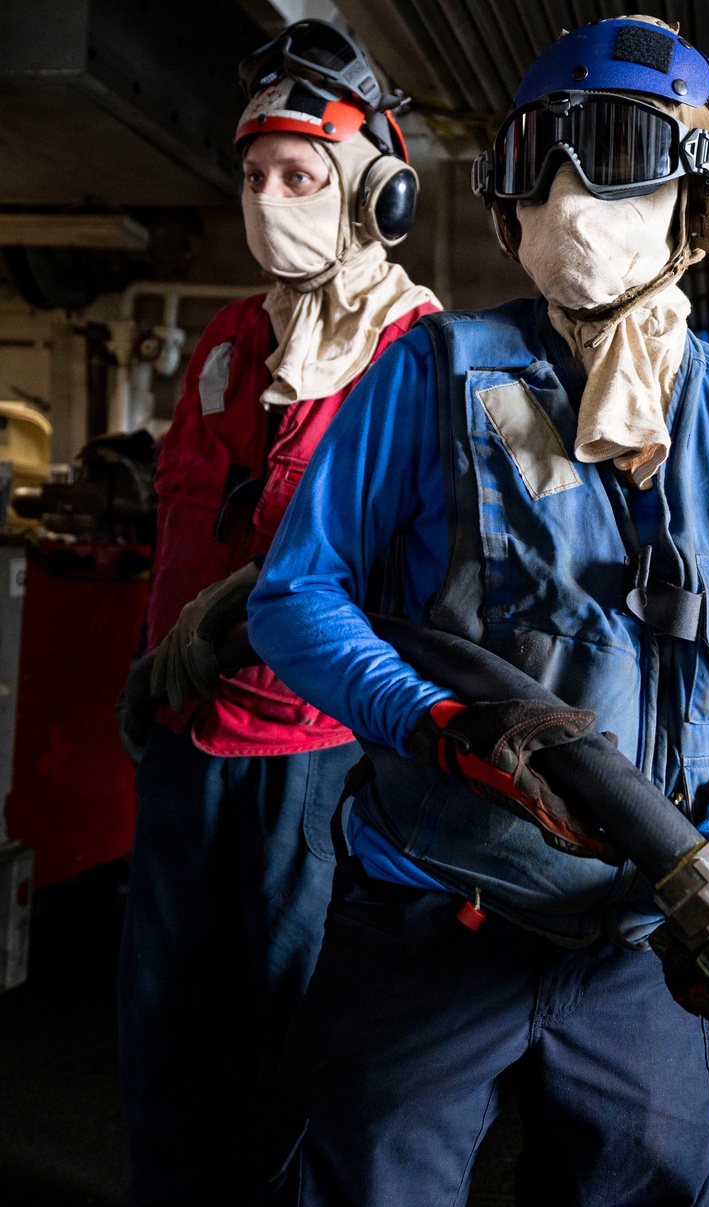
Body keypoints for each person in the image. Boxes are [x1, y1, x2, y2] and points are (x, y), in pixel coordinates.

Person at [247, 16, 709, 1206]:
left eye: (616, 150)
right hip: (437, 910)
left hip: (651, 959)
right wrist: (429, 722)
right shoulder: (426, 375)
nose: (569, 197)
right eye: (537, 159)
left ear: (708, 201)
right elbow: (294, 599)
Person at [116, 20, 438, 1207]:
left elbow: (415, 564)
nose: (266, 200)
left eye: (296, 177)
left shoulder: (414, 352)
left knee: (295, 1027)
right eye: (252, 177)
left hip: (316, 753)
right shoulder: (231, 336)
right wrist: (150, 658)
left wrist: (262, 604)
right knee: (164, 1019)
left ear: (373, 197)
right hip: (187, 734)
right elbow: (186, 517)